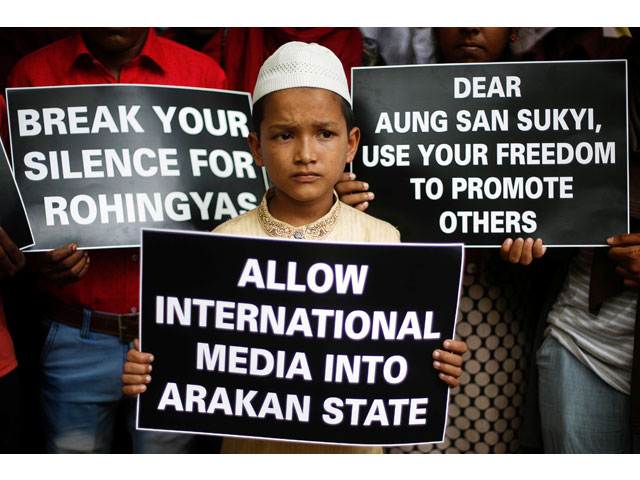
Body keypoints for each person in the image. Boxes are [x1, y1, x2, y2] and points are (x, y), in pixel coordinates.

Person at [122, 41, 468, 454]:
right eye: (284, 135)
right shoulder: (224, 243)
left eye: (325, 134)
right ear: (256, 148)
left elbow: (396, 357)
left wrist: (433, 365)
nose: (306, 154)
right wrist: (152, 367)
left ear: (351, 143)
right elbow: (196, 360)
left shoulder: (382, 241)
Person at [6, 27, 227, 453]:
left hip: (173, 334)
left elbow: (228, 205)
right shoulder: (33, 75)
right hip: (73, 332)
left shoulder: (202, 75)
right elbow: (13, 206)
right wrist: (36, 258)